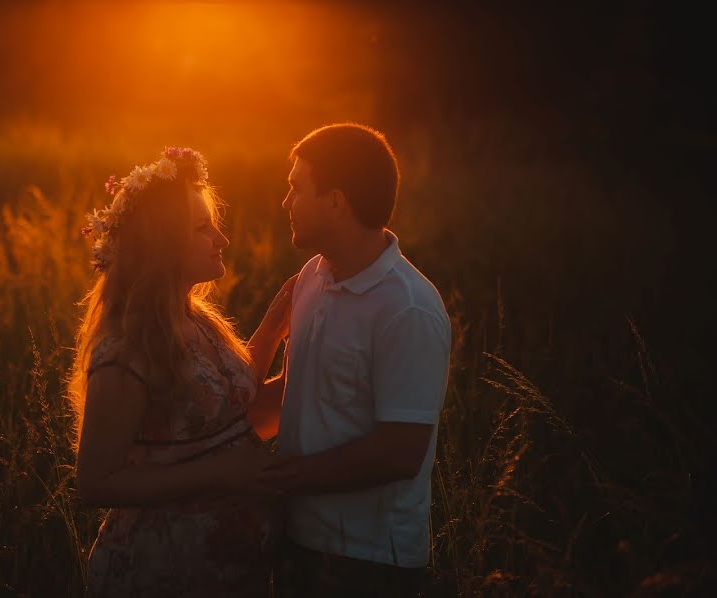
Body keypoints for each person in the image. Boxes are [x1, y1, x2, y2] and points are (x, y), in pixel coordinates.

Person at [67, 147, 295, 597]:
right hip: (159, 572)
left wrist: (277, 334)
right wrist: (219, 475)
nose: (220, 239)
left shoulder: (197, 319)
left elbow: (234, 418)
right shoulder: (125, 350)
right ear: (162, 242)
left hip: (228, 574)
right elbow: (94, 482)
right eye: (202, 228)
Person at [260, 123, 452, 597]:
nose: (286, 203)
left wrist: (284, 477)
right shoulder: (312, 276)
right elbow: (296, 391)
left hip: (368, 563)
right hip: (296, 540)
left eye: (296, 188)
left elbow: (400, 451)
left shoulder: (407, 309)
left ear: (336, 201)